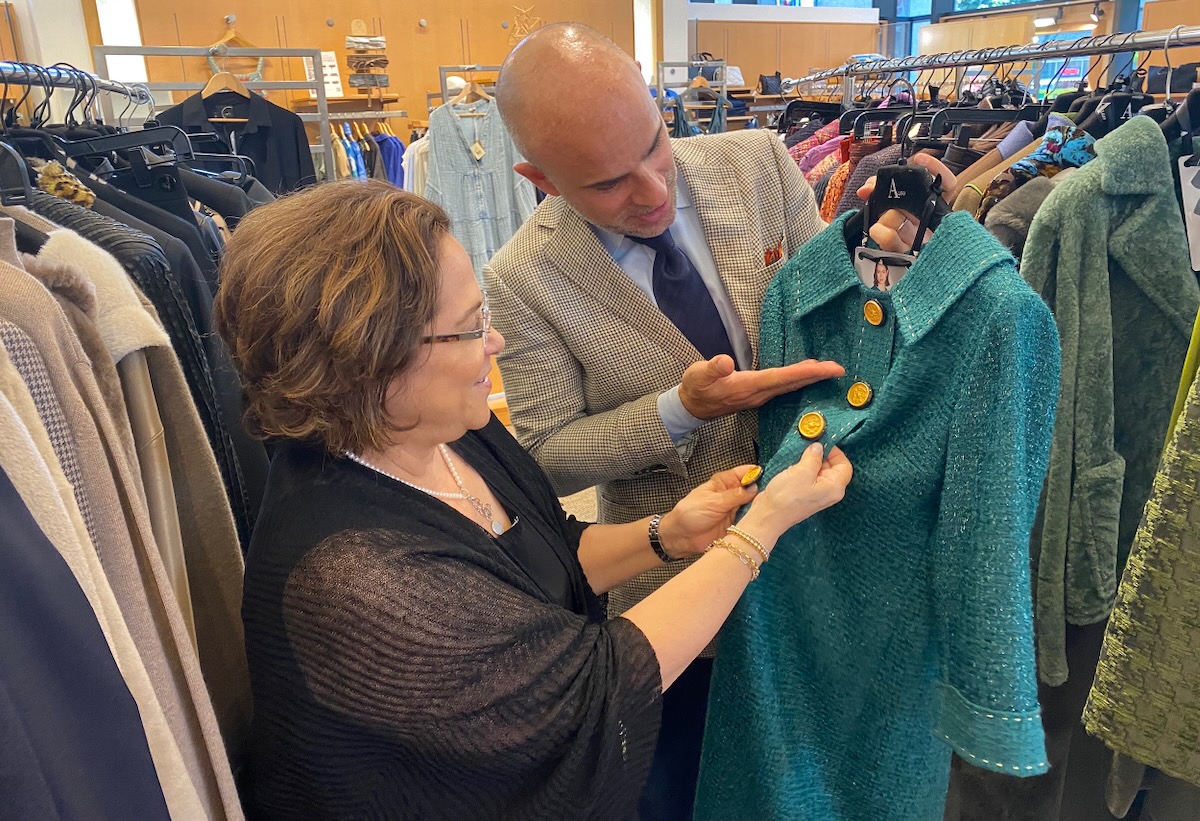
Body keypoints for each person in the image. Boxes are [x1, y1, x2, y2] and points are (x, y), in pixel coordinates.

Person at [214, 180, 853, 820]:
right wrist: (760, 529)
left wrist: (667, 534)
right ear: (370, 361)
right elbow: (596, 687)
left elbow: (543, 552)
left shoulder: (446, 430)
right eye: (468, 328)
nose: (491, 345)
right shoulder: (357, 578)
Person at [485, 23, 959, 818]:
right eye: (607, 183)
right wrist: (679, 409)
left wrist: (884, 258)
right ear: (541, 177)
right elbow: (543, 458)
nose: (652, 190)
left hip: (819, 559)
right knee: (690, 792)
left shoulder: (758, 163)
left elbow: (838, 316)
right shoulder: (522, 280)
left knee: (813, 781)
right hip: (680, 598)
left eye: (654, 143)